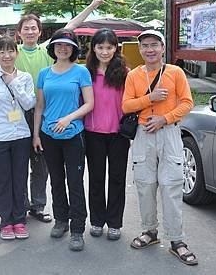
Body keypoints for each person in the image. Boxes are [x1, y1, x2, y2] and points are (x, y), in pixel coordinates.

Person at [0, 0, 104, 223]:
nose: (30, 31)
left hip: (42, 110)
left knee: (41, 164)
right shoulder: (13, 51)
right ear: (19, 33)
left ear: (40, 32)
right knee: (19, 165)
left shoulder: (46, 50)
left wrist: (91, 5)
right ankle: (19, 205)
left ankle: (38, 205)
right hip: (17, 113)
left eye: (34, 28)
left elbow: (72, 25)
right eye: (26, 28)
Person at [122, 29, 197, 266]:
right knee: (145, 185)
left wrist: (164, 118)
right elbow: (126, 106)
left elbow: (187, 103)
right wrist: (149, 99)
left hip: (169, 133)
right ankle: (150, 232)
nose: (150, 50)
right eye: (145, 46)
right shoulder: (134, 75)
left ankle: (177, 241)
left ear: (163, 48)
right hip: (143, 134)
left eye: (154, 45)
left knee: (171, 185)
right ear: (140, 49)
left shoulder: (175, 72)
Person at [32, 29, 94, 251]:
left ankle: (78, 229)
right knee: (56, 180)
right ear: (53, 48)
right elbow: (40, 106)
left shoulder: (81, 72)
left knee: (75, 182)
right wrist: (36, 134)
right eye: (59, 45)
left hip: (73, 135)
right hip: (49, 136)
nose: (63, 48)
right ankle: (61, 220)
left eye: (67, 45)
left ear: (74, 49)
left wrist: (69, 118)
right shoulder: (44, 74)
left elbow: (89, 103)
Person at [0, 36, 36, 240]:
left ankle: (20, 220)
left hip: (21, 135)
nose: (6, 55)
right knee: (2, 181)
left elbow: (29, 104)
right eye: (2, 52)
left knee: (19, 179)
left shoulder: (25, 77)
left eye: (10, 51)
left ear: (17, 53)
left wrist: (14, 84)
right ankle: (5, 221)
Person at [83, 29, 130, 241]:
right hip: (93, 133)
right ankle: (96, 220)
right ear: (93, 48)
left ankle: (114, 223)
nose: (105, 51)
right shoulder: (86, 73)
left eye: (109, 47)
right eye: (100, 47)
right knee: (96, 178)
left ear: (116, 48)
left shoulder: (125, 73)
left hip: (119, 134)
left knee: (118, 179)